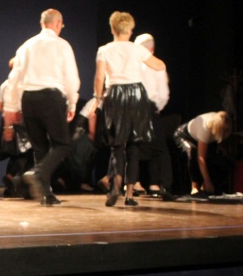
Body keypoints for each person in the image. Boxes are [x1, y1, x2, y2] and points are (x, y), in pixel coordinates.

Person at [3, 8, 80, 205]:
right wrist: (72, 102)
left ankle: (46, 194)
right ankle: (38, 173)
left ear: (42, 24)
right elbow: (71, 77)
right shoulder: (62, 45)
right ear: (58, 24)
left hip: (28, 99)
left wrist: (11, 107)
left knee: (39, 148)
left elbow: (14, 79)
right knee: (62, 144)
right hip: (50, 97)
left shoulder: (26, 46)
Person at [91, 12, 166, 207]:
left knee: (117, 145)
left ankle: (115, 185)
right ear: (130, 30)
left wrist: (97, 98)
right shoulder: (137, 49)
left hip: (115, 94)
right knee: (134, 145)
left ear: (112, 29)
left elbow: (99, 77)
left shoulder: (104, 50)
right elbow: (159, 65)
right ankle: (129, 194)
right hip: (136, 95)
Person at [134, 33, 175, 201]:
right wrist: (157, 108)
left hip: (134, 107)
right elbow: (164, 93)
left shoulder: (132, 64)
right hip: (150, 108)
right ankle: (164, 185)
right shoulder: (158, 64)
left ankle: (132, 183)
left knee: (133, 146)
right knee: (160, 148)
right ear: (152, 48)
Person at [0, 58, 32, 197]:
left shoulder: (5, 84)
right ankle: (12, 178)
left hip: (8, 123)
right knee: (27, 152)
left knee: (15, 154)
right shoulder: (25, 85)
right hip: (22, 124)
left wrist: (7, 114)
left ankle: (10, 186)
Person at [173, 111, 231, 196]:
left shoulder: (222, 125)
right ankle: (194, 186)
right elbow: (201, 159)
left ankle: (204, 186)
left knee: (215, 156)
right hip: (184, 135)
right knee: (192, 152)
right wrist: (208, 181)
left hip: (201, 136)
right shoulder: (205, 129)